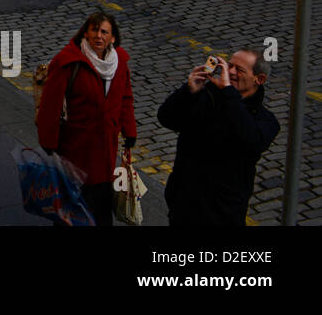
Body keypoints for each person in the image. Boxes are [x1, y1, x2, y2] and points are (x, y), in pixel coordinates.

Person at [156, 48, 280, 226]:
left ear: (259, 79)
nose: (230, 72)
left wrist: (229, 93)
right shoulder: (207, 97)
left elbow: (250, 140)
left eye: (239, 70)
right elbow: (167, 118)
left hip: (223, 214)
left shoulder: (266, 121)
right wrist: (188, 91)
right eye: (230, 66)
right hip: (184, 206)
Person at [35, 12, 137, 226]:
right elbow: (49, 107)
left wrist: (129, 130)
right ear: (85, 32)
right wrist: (48, 143)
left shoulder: (120, 63)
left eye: (104, 32)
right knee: (72, 209)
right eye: (94, 30)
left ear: (113, 38)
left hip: (105, 152)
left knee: (100, 207)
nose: (98, 36)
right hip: (76, 152)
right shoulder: (68, 62)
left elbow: (125, 97)